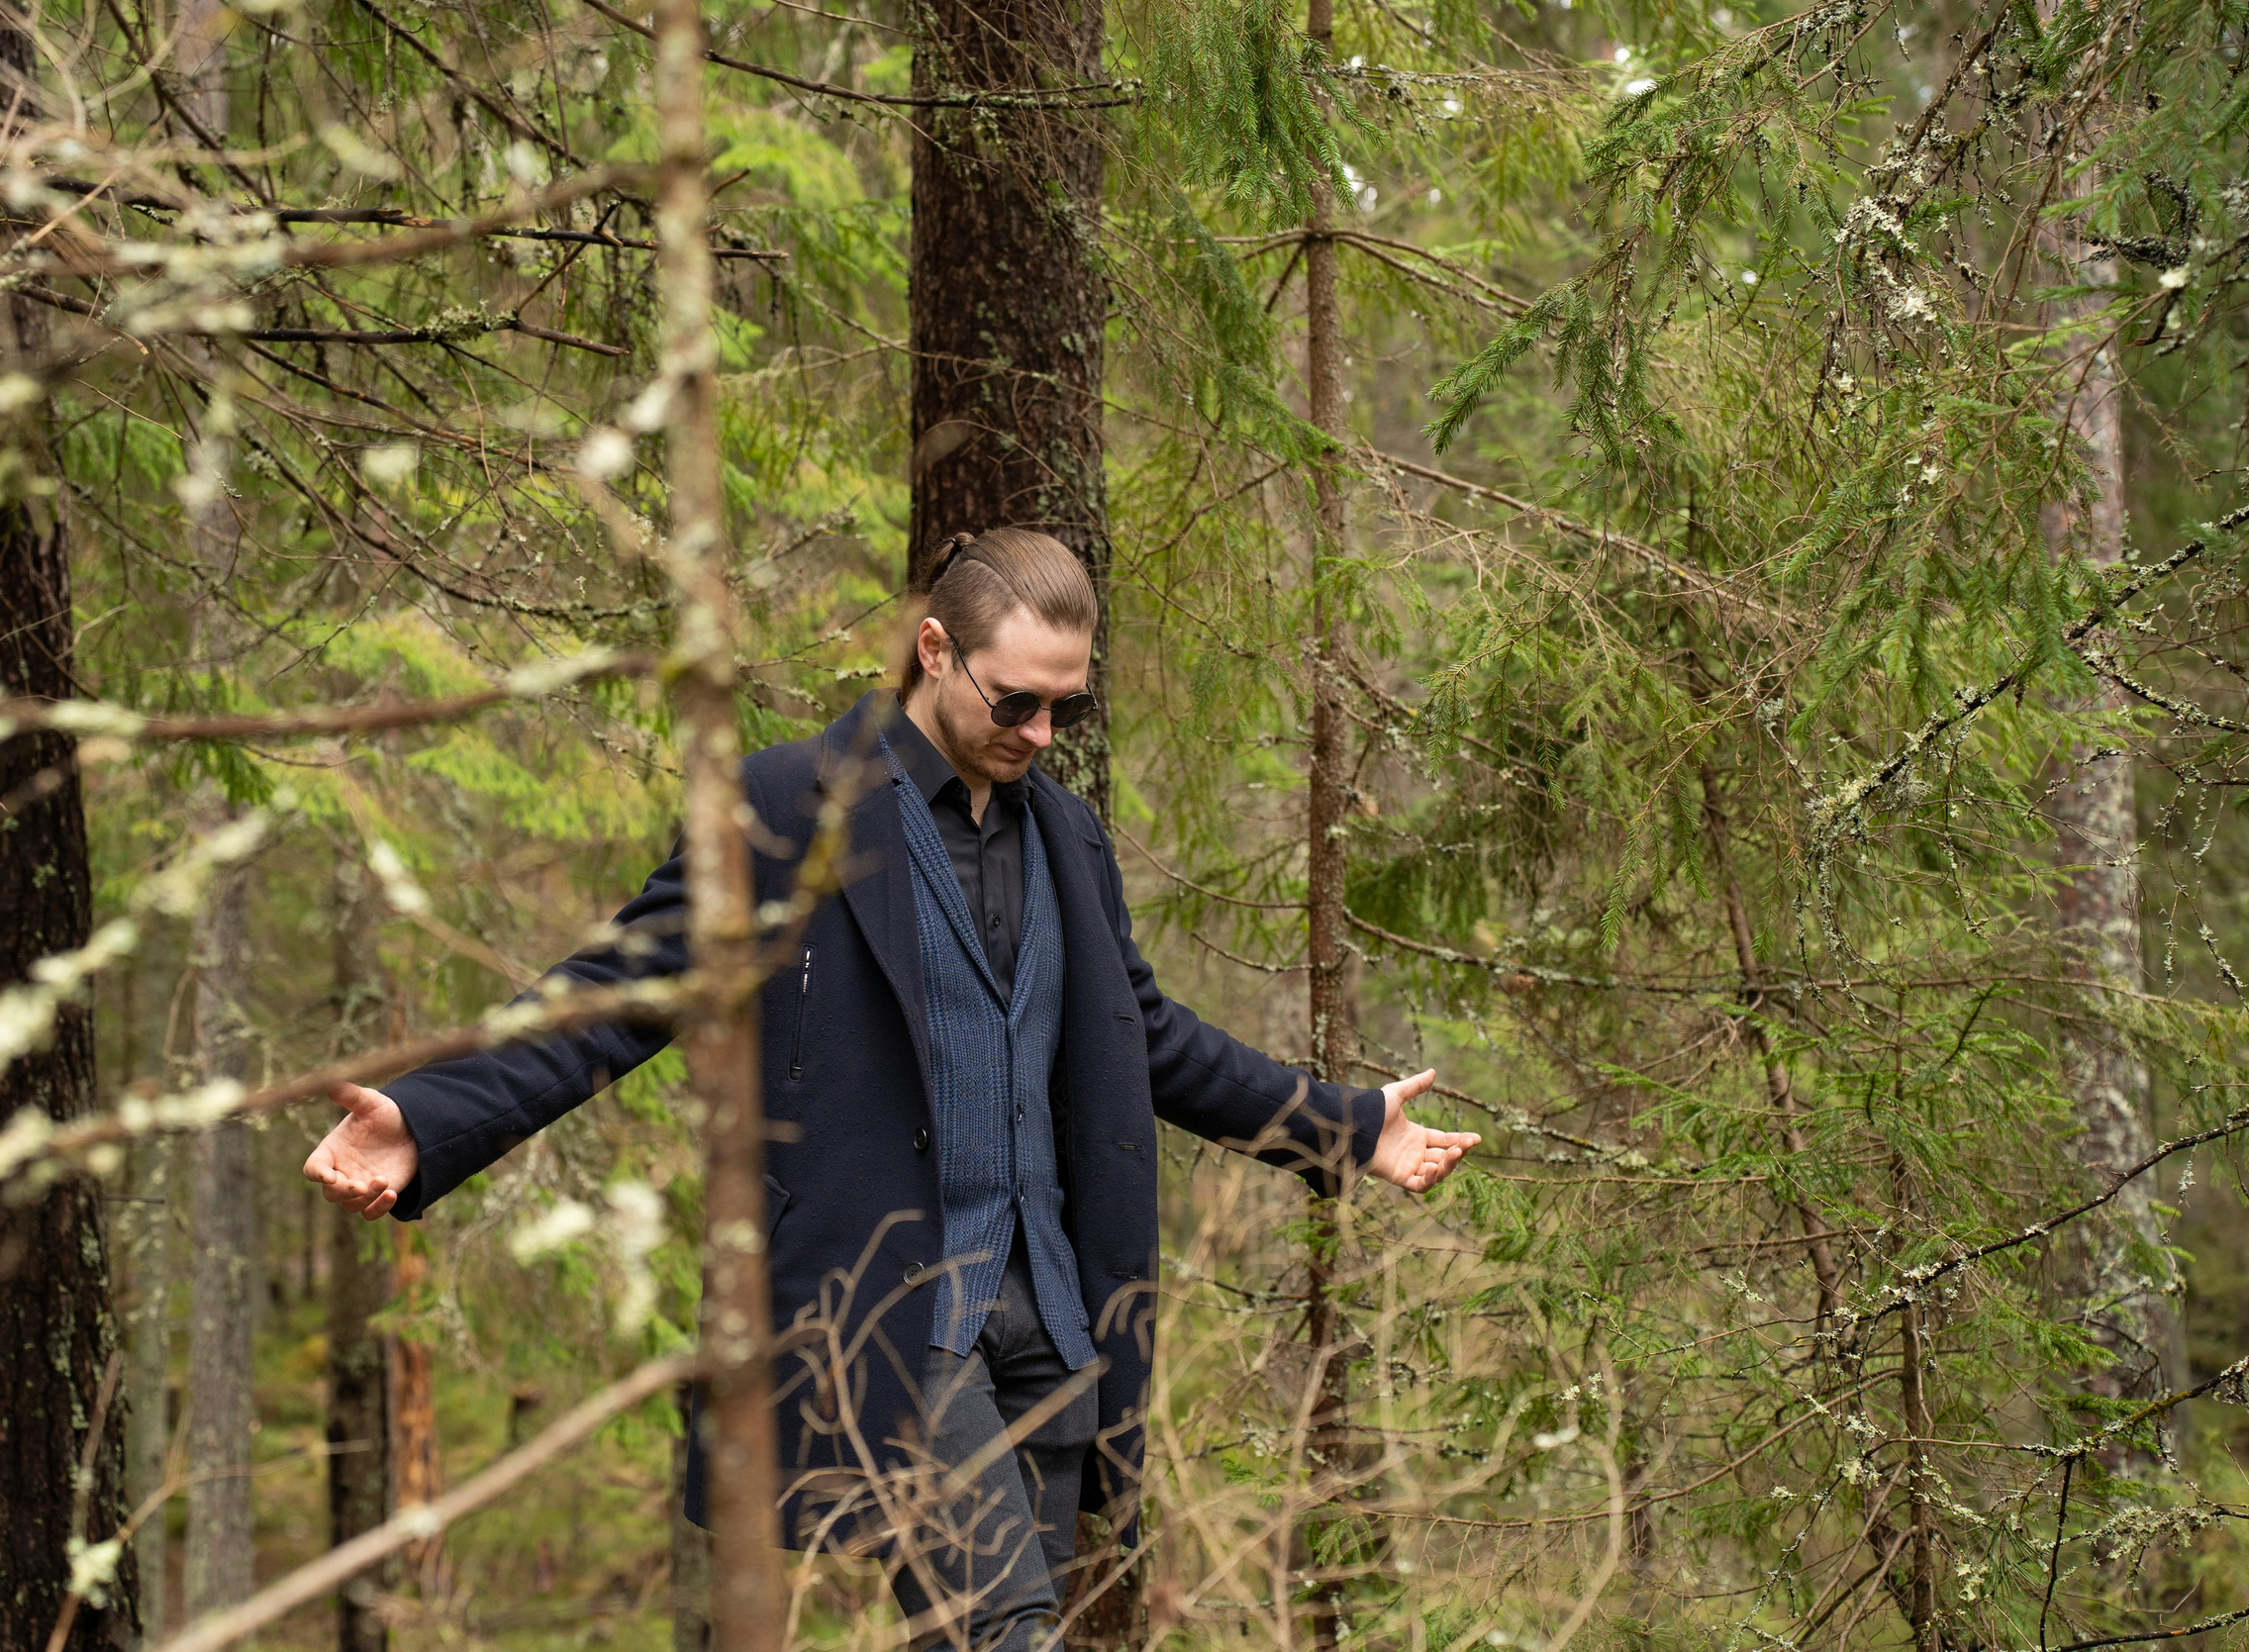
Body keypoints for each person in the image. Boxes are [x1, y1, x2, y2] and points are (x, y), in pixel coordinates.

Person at [304, 527, 1480, 1652]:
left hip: (1057, 1315)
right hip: (888, 1307)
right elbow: (620, 991)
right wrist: (431, 1118)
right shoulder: (786, 806)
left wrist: (1347, 1128)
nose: (1041, 731)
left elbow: (1148, 1041)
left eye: (1064, 705)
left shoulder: (1069, 836)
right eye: (1013, 699)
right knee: (1004, 1627)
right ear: (932, 651)